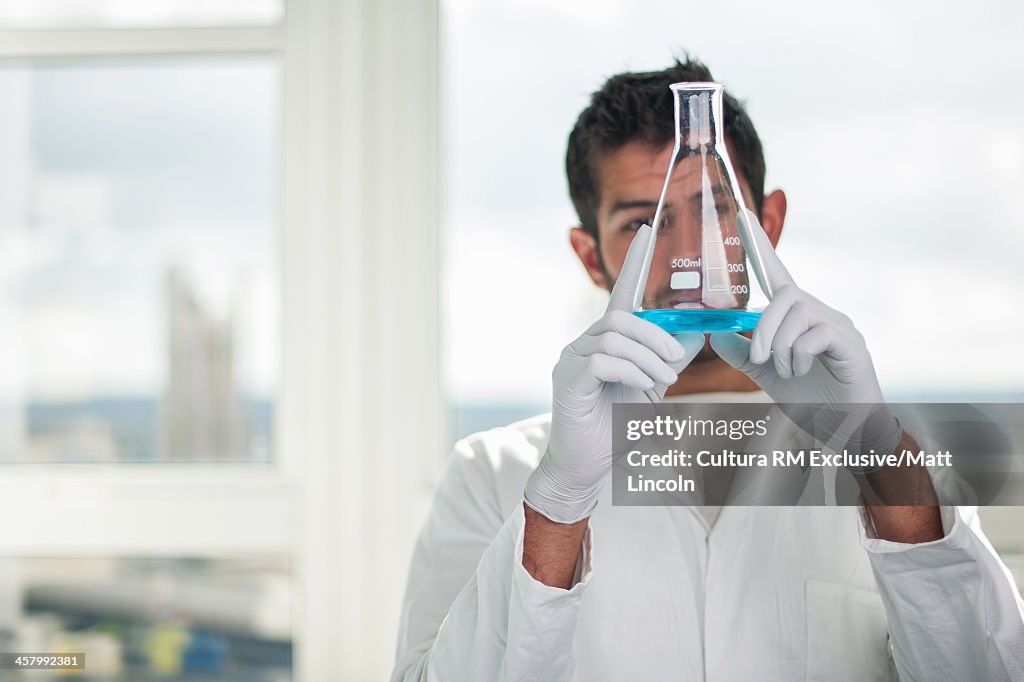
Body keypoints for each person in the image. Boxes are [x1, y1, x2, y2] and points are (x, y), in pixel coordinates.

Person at [391, 57, 1024, 681]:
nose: (685, 255)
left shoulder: (897, 463)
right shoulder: (490, 475)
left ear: (766, 225)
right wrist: (559, 500)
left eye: (715, 210)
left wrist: (876, 456)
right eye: (643, 221)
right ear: (589, 255)